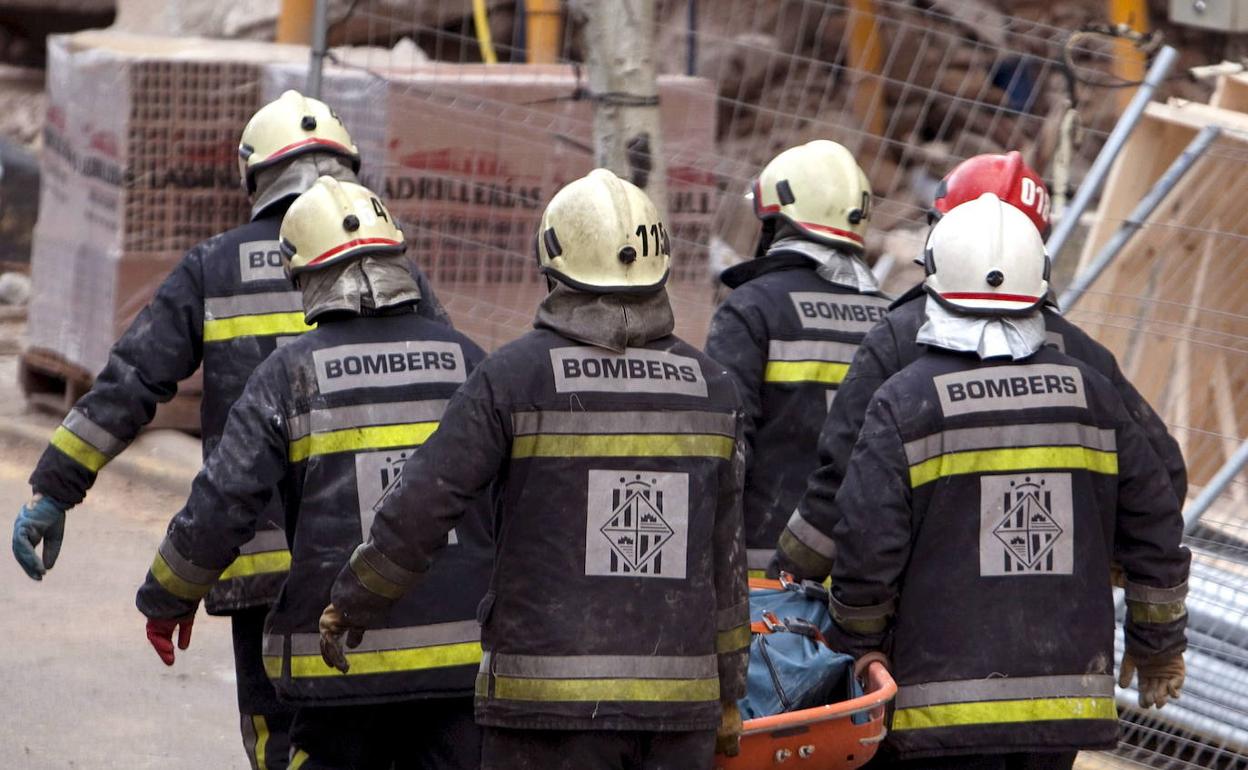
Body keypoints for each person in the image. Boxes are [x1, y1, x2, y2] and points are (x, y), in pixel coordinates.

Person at [11, 90, 450, 769]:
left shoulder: (213, 268)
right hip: (380, 555)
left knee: (285, 742)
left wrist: (55, 488)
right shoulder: (400, 275)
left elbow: (132, 381)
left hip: (259, 564)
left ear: (258, 177)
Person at [318, 168, 751, 770]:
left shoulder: (512, 377)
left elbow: (423, 503)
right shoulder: (714, 389)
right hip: (678, 719)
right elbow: (726, 565)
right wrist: (730, 693)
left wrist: (356, 600)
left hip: (542, 714)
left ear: (553, 265)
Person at [822, 192, 1190, 769]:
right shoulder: (1091, 393)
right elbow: (1156, 521)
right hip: (1059, 707)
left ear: (934, 278)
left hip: (934, 715)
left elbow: (867, 544)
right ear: (1039, 282)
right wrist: (1159, 644)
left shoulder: (904, 402)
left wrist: (855, 647)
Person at [134, 177, 490, 769]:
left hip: (337, 672)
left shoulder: (288, 375)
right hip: (461, 666)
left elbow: (225, 500)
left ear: (306, 277)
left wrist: (168, 596)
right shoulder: (470, 362)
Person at [774, 151, 1187, 580]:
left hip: (925, 609)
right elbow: (1164, 472)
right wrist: (1089, 563)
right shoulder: (1083, 356)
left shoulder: (898, 337)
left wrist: (789, 576)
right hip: (1060, 617)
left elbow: (842, 477)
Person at [703, 140, 888, 575]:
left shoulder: (751, 309)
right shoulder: (894, 320)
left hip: (765, 579)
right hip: (866, 579)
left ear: (776, 223)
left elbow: (722, 448)